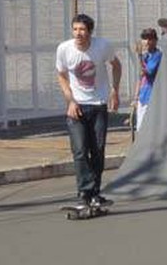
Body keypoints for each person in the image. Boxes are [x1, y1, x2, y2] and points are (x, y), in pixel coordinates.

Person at [56, 14, 122, 207]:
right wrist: (71, 101)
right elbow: (61, 76)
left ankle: (95, 192)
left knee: (98, 150)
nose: (78, 33)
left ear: (90, 32)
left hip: (98, 104)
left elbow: (116, 65)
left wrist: (115, 91)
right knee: (80, 150)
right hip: (76, 107)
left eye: (82, 30)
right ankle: (85, 192)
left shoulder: (102, 46)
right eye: (75, 29)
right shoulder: (64, 49)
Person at [135, 28, 162, 131]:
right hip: (143, 96)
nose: (146, 41)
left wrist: (139, 56)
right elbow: (141, 77)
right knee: (140, 127)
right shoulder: (146, 56)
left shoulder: (157, 55)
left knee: (148, 128)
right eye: (144, 39)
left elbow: (148, 71)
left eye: (150, 39)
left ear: (155, 40)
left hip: (151, 96)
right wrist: (136, 97)